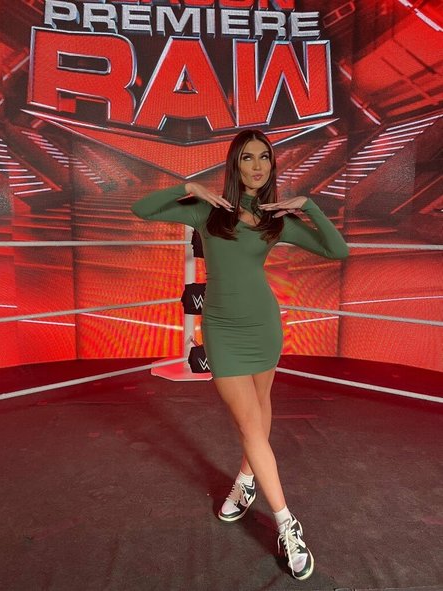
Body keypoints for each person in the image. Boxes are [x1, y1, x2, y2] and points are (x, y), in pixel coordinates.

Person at [131, 129, 349, 581]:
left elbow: (337, 249)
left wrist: (307, 206)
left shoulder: (276, 221)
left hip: (263, 328)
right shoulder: (208, 211)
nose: (257, 166)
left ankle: (246, 483)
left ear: (272, 166)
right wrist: (188, 187)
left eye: (264, 158)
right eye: (247, 158)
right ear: (234, 165)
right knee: (250, 426)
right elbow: (142, 209)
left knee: (260, 413)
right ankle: (287, 525)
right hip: (223, 333)